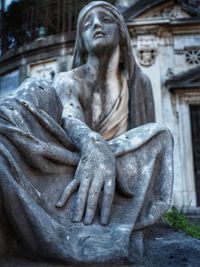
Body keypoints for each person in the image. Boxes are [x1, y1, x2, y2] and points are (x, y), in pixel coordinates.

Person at [0, 1, 173, 264]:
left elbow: (141, 148)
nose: (96, 24)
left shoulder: (140, 83)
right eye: (87, 23)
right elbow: (69, 115)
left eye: (106, 18)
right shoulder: (69, 79)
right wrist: (93, 143)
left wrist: (109, 157)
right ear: (81, 38)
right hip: (70, 155)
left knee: (160, 134)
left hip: (117, 167)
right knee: (35, 88)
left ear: (122, 32)